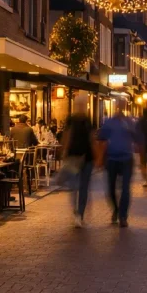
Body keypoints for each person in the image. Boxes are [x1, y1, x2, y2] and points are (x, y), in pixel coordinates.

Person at [96, 100, 141, 227]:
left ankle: (122, 216)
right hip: (111, 159)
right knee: (110, 189)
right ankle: (116, 209)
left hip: (126, 159)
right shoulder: (109, 122)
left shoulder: (129, 122)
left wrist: (138, 148)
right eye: (119, 105)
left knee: (125, 188)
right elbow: (101, 140)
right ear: (116, 107)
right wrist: (100, 158)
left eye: (122, 105)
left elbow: (137, 139)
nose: (120, 107)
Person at [62, 94, 95, 228]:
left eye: (83, 104)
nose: (81, 107)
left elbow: (92, 138)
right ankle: (76, 212)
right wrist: (64, 151)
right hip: (73, 157)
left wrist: (97, 156)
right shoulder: (71, 120)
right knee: (74, 186)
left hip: (87, 158)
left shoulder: (88, 120)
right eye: (79, 104)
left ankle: (80, 214)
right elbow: (67, 136)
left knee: (83, 187)